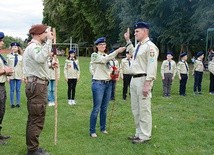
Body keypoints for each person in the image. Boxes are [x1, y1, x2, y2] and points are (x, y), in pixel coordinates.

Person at [23, 24, 56, 155]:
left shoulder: (34, 48)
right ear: (38, 34)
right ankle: (33, 150)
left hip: (37, 85)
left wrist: (50, 64)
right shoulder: (33, 47)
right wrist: (49, 41)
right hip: (37, 86)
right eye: (45, 33)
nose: (47, 35)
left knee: (35, 117)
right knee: (36, 117)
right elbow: (40, 57)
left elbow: (40, 63)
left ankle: (33, 147)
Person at [124, 22, 159, 144]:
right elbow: (134, 54)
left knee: (144, 108)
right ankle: (138, 133)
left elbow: (152, 66)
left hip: (143, 79)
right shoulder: (139, 46)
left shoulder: (150, 47)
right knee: (136, 108)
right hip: (134, 79)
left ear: (145, 31)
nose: (135, 33)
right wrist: (128, 40)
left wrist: (148, 84)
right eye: (134, 32)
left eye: (137, 31)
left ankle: (145, 135)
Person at [89, 37, 125, 138]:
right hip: (98, 83)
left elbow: (108, 69)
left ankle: (103, 128)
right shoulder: (95, 55)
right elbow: (104, 60)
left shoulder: (106, 55)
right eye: (100, 45)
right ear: (96, 46)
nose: (103, 46)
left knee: (104, 108)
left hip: (108, 84)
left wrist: (114, 73)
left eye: (104, 45)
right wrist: (117, 51)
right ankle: (92, 130)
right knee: (96, 108)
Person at [0, 32, 14, 145]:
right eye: (1, 40)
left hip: (2, 85)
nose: (2, 42)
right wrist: (5, 71)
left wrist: (6, 72)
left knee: (1, 110)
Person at [6, 42, 24, 108]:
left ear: (18, 48)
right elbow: (6, 66)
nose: (14, 48)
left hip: (19, 75)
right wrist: (7, 76)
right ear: (11, 48)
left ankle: (18, 103)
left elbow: (23, 67)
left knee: (18, 90)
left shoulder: (21, 57)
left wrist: (23, 76)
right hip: (11, 75)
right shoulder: (8, 56)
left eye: (15, 47)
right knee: (12, 90)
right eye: (13, 47)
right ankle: (12, 103)